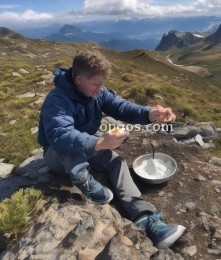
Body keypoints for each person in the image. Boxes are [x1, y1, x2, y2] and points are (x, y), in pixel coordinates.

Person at [38, 49, 185, 249]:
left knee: (116, 161)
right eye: (96, 84)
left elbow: (121, 107)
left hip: (87, 145)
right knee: (68, 145)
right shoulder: (57, 100)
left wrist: (150, 114)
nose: (100, 89)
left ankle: (145, 218)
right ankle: (82, 176)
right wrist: (99, 143)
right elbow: (59, 135)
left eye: (102, 84)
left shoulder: (98, 92)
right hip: (57, 156)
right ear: (79, 79)